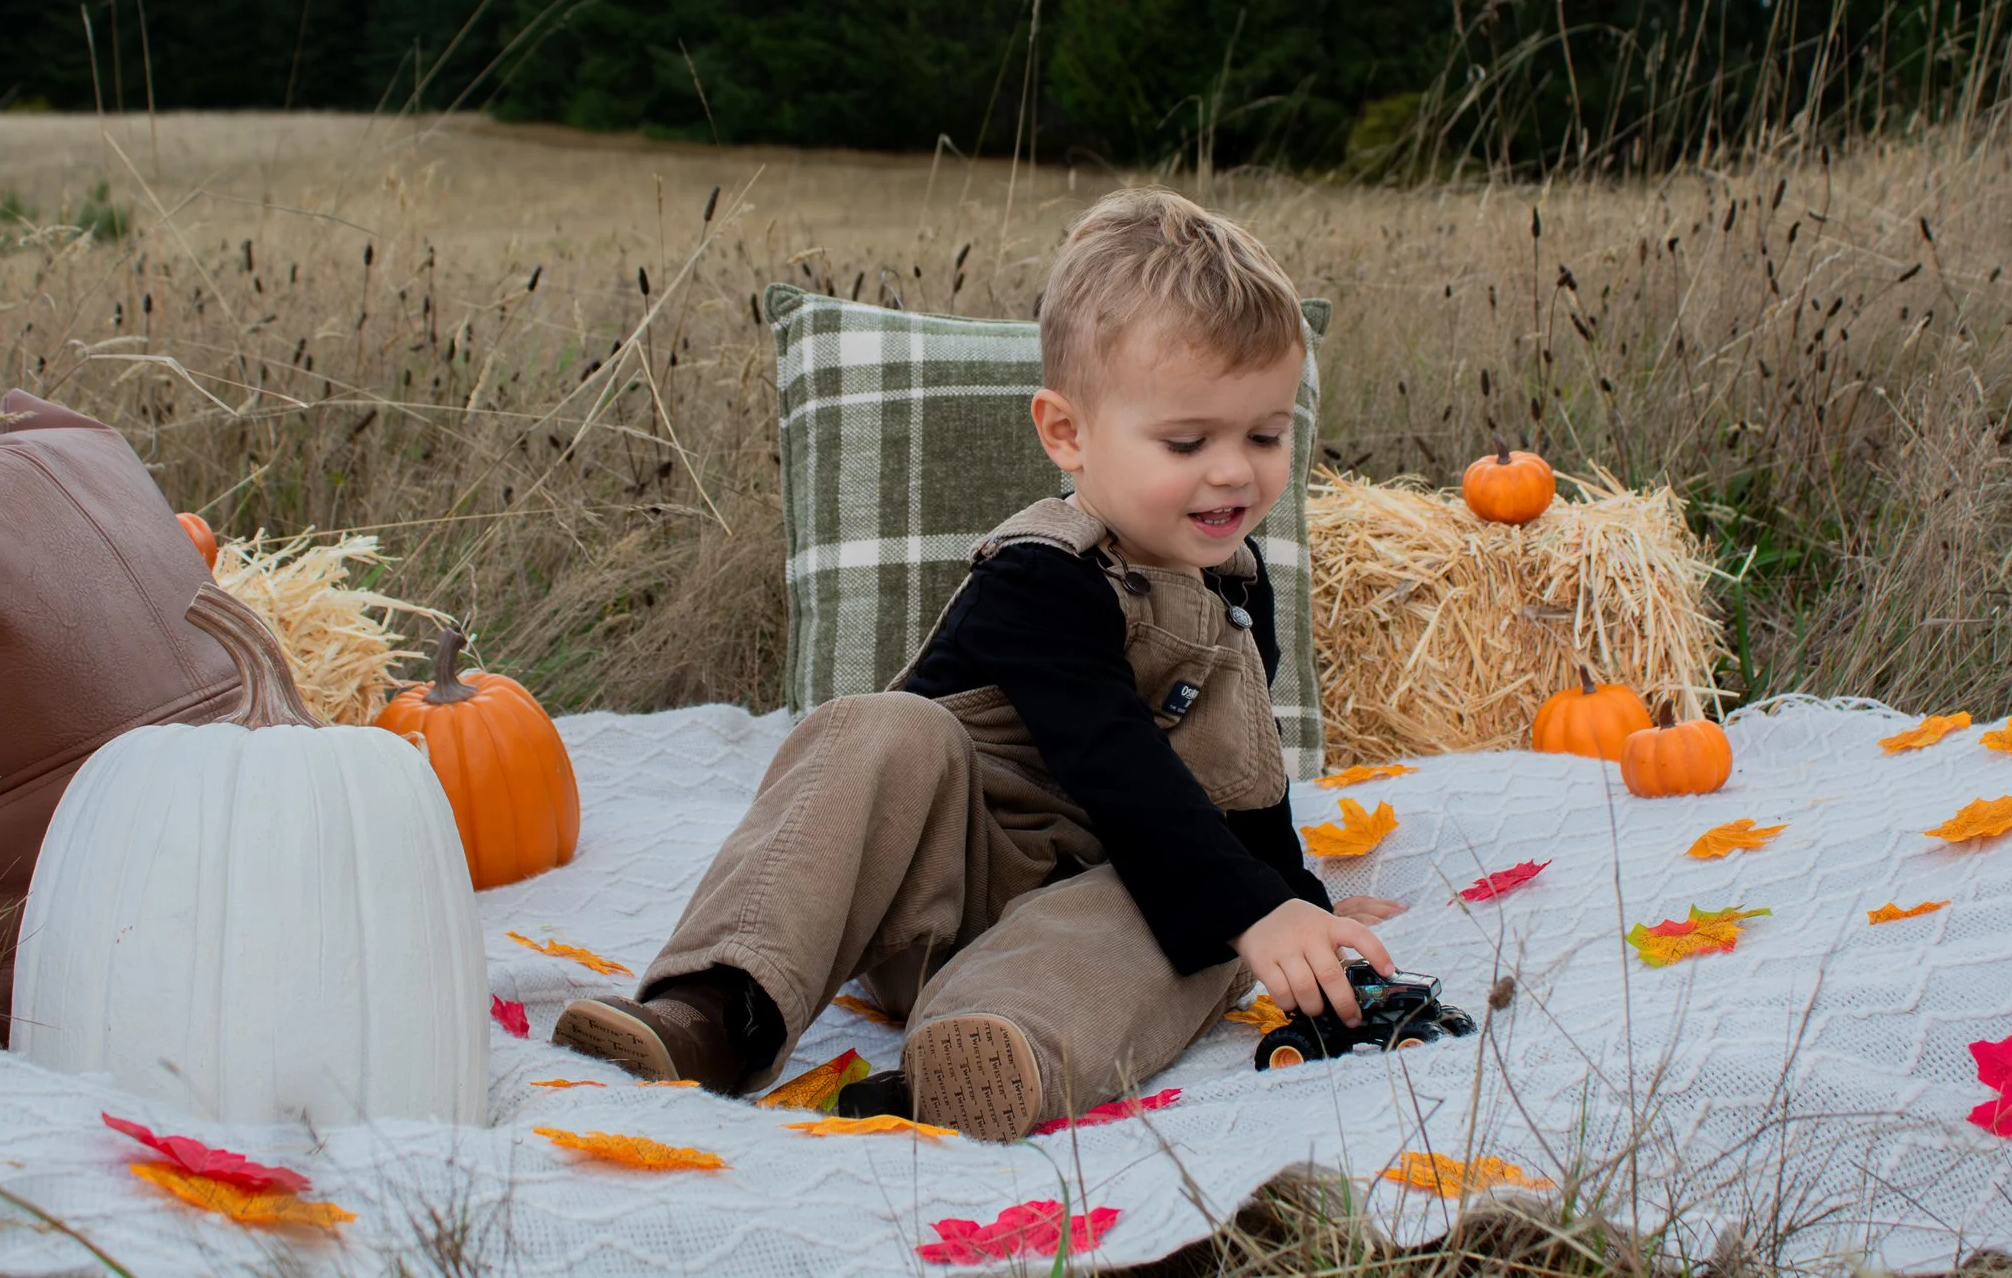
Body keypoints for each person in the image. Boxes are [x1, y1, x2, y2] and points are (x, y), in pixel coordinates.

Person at [552, 187, 1405, 1139]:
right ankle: (718, 1006)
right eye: (1187, 440)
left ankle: (981, 1056)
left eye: (1265, 433)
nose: (1235, 471)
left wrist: (1292, 903)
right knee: (880, 726)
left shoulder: (1236, 589)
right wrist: (1251, 904)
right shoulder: (1042, 577)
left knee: (1198, 920)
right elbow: (1115, 760)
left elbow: (1240, 780)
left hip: (1089, 937)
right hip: (938, 892)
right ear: (1067, 432)